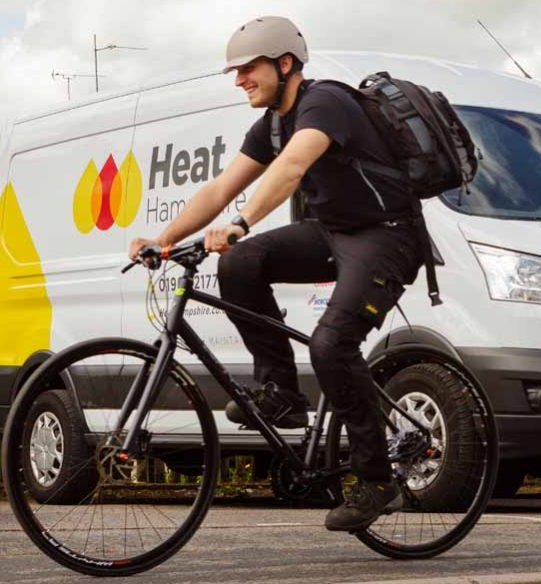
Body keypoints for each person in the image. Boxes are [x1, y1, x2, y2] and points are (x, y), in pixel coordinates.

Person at [128, 15, 422, 532]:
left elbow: (290, 169)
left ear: (285, 64)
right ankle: (282, 392)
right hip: (333, 233)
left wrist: (241, 222)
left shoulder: (324, 102)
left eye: (248, 68)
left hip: (387, 236)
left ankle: (378, 479)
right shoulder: (271, 123)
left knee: (331, 345)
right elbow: (220, 189)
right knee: (239, 261)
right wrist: (165, 238)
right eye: (235, 71)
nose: (239, 79)